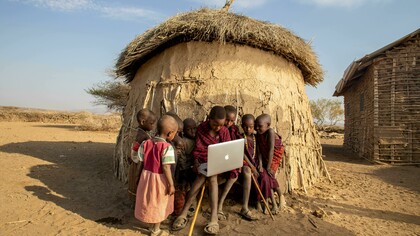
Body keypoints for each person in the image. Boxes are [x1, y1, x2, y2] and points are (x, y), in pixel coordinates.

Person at [172, 106, 230, 235]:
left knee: (212, 176)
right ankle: (208, 217)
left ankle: (189, 214)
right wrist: (197, 162)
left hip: (218, 164)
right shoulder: (202, 128)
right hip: (203, 162)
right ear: (209, 119)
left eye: (221, 125)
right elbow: (198, 150)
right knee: (203, 175)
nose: (218, 128)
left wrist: (219, 161)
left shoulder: (225, 132)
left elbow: (227, 151)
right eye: (215, 124)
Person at [134, 115, 178, 236]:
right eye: (175, 133)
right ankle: (155, 229)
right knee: (158, 203)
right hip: (159, 180)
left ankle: (150, 223)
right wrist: (171, 184)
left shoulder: (146, 143)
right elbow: (166, 167)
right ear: (170, 133)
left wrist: (137, 177)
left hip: (146, 177)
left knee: (149, 201)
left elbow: (140, 163)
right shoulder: (167, 147)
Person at [255, 114, 285, 214]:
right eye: (256, 125)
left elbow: (272, 149)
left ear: (268, 125)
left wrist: (268, 166)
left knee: (269, 175)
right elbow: (258, 150)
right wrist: (259, 163)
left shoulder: (270, 132)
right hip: (264, 157)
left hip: (274, 157)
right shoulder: (259, 133)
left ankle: (280, 197)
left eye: (260, 126)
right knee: (268, 178)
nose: (257, 128)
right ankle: (272, 202)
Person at [216, 105, 240, 221]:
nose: (229, 123)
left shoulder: (234, 130)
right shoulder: (215, 127)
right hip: (216, 159)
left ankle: (220, 203)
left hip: (228, 159)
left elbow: (236, 148)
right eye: (227, 120)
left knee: (234, 173)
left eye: (232, 121)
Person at [128, 109, 157, 203]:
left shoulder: (140, 131)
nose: (153, 126)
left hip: (136, 162)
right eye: (152, 123)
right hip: (138, 163)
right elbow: (137, 148)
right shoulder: (142, 135)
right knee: (138, 182)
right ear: (143, 122)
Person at [239, 114, 259, 220]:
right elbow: (242, 153)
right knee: (247, 172)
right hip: (246, 162)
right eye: (245, 127)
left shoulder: (256, 138)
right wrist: (251, 166)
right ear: (242, 126)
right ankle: (245, 206)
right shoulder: (241, 137)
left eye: (251, 127)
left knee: (263, 175)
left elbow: (259, 153)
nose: (248, 129)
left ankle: (258, 201)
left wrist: (258, 165)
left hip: (255, 162)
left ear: (254, 126)